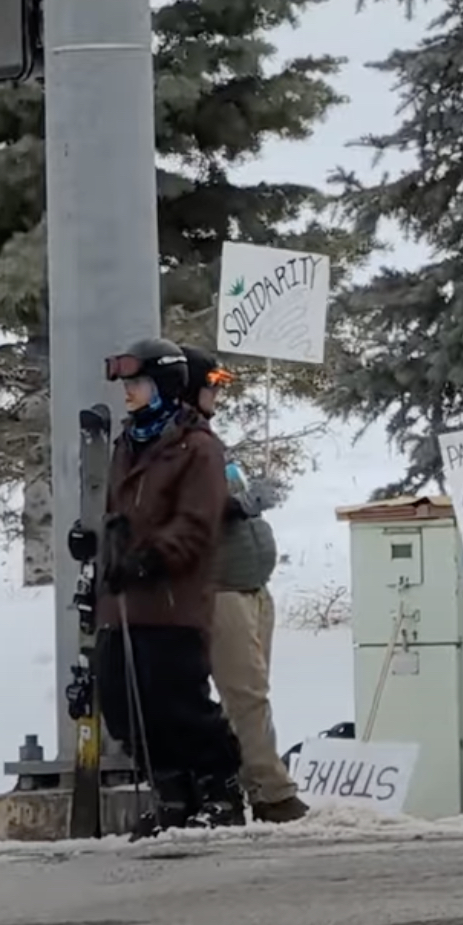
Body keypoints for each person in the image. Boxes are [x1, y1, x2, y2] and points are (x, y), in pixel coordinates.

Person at [96, 338, 249, 834]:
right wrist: (104, 546)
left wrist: (151, 557)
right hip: (123, 599)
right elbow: (122, 511)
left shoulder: (196, 446)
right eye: (125, 385)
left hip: (170, 598)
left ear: (162, 386)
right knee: (121, 702)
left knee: (175, 699)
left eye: (136, 384)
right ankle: (171, 789)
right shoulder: (128, 442)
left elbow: (197, 523)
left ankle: (217, 787)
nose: (129, 393)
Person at [184, 346, 309, 825]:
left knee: (252, 694)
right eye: (211, 383)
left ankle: (246, 781)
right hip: (221, 589)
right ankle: (272, 791)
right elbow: (192, 512)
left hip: (250, 586)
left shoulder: (208, 440)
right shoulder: (182, 444)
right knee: (246, 695)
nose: (218, 392)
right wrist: (238, 506)